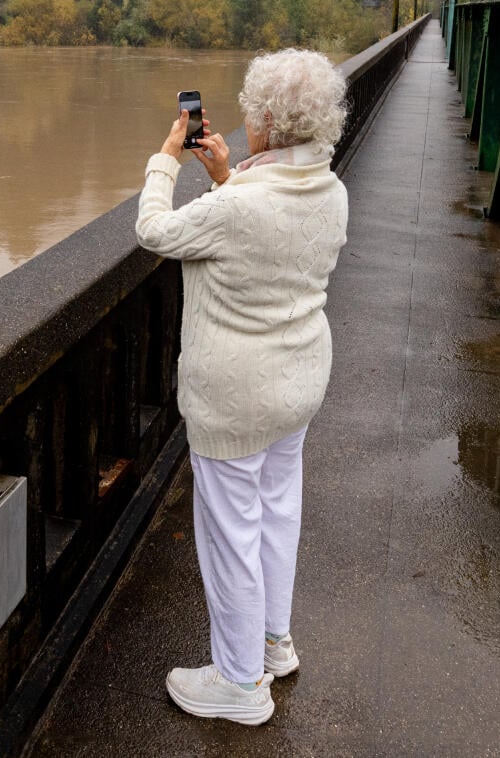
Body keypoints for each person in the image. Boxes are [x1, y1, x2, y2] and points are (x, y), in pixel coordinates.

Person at [134, 48, 349, 726]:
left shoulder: (237, 209)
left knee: (231, 534)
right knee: (279, 513)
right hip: (300, 379)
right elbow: (264, 224)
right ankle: (272, 643)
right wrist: (226, 176)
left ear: (261, 121)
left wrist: (166, 157)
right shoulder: (329, 189)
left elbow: (154, 231)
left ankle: (237, 685)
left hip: (235, 396)